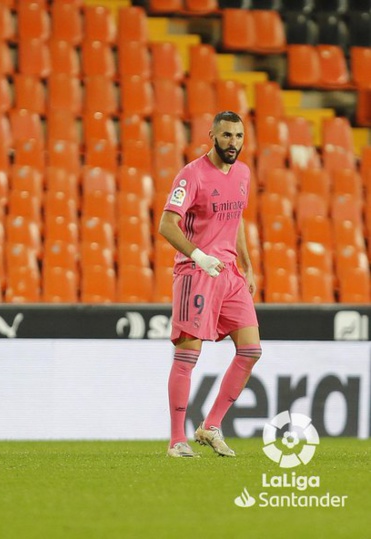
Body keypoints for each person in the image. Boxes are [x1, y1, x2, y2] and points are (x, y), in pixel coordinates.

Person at [158, 111, 262, 458]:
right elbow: (167, 224)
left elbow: (238, 218)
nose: (234, 142)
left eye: (239, 136)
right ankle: (177, 440)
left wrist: (246, 265)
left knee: (250, 350)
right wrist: (199, 255)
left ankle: (211, 425)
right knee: (188, 355)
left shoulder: (243, 173)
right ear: (212, 136)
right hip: (196, 271)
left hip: (229, 272)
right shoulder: (192, 175)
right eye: (227, 135)